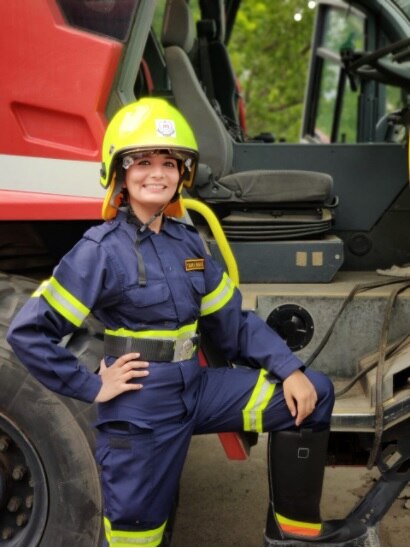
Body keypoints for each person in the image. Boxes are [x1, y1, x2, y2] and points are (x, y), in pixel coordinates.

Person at [7, 98, 367, 547]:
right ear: (119, 172)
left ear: (183, 174)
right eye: (142, 162)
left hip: (196, 392)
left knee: (312, 394)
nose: (157, 173)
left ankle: (293, 535)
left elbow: (233, 322)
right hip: (140, 407)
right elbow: (27, 333)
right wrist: (91, 387)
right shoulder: (99, 251)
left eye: (169, 162)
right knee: (138, 535)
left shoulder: (187, 243)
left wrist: (290, 369)